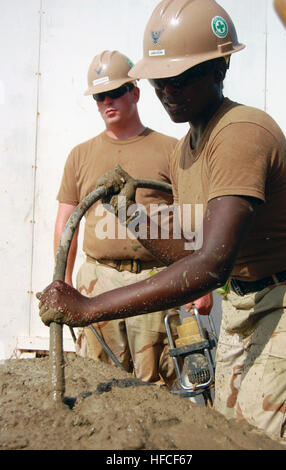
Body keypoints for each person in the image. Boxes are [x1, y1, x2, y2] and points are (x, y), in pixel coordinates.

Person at [38, 0, 286, 443]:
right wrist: (130, 213)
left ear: (220, 70)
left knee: (262, 435)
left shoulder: (239, 132)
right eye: (160, 80)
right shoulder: (185, 151)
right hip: (244, 304)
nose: (168, 92)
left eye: (181, 79)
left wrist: (89, 308)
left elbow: (210, 265)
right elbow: (190, 248)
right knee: (233, 431)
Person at [53, 48, 194, 387]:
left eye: (115, 92)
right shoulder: (81, 155)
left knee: (155, 383)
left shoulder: (172, 150)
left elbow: (192, 216)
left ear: (135, 92)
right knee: (97, 381)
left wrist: (195, 287)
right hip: (96, 281)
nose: (107, 102)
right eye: (100, 96)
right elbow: (65, 223)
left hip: (155, 280)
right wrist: (65, 279)